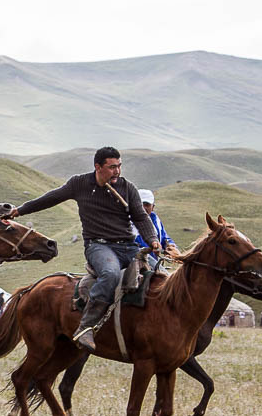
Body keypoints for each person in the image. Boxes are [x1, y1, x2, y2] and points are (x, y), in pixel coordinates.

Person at [11, 146, 160, 351]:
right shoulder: (79, 184)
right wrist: (20, 210)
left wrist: (153, 240)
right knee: (110, 274)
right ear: (98, 167)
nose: (117, 171)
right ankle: (86, 326)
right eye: (112, 167)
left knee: (161, 274)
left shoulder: (127, 188)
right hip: (99, 246)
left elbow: (141, 218)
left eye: (119, 166)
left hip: (128, 246)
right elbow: (51, 198)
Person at [133, 189, 180, 266]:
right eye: (140, 205)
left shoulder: (155, 220)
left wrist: (170, 246)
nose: (144, 208)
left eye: (147, 205)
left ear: (153, 207)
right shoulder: (127, 221)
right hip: (134, 261)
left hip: (152, 262)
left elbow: (165, 238)